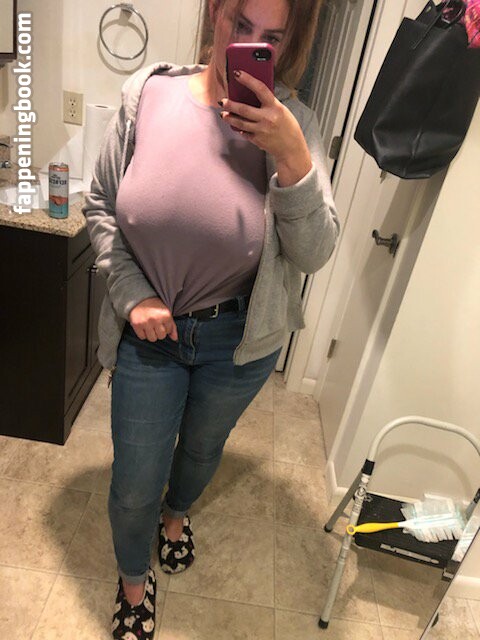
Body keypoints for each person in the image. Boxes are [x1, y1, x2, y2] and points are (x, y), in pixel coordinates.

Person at [83, 0, 340, 637]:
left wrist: (293, 159)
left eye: (270, 38)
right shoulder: (148, 93)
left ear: (290, 45)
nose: (247, 47)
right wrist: (131, 293)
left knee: (200, 450)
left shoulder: (296, 126)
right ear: (214, 15)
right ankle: (134, 582)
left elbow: (314, 253)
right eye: (239, 24)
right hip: (151, 335)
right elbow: (101, 204)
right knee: (134, 479)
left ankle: (177, 515)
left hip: (238, 340)